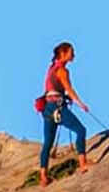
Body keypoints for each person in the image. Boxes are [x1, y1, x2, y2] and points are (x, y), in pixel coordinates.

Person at [36, 42, 92, 171]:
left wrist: (65, 97)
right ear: (63, 53)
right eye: (71, 52)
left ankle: (43, 175)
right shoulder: (62, 70)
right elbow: (68, 88)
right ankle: (83, 164)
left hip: (47, 108)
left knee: (48, 143)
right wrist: (80, 103)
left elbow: (52, 89)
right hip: (58, 107)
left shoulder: (52, 68)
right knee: (81, 130)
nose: (74, 55)